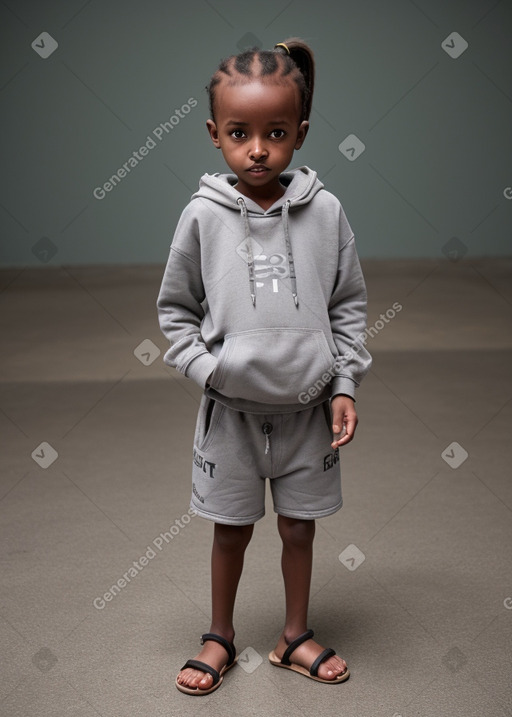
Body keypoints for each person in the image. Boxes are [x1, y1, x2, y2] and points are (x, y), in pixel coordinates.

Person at [157, 37, 372, 696]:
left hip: (308, 413)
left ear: (300, 133)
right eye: (240, 133)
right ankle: (219, 633)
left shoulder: (327, 213)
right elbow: (174, 313)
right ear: (214, 134)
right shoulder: (202, 217)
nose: (258, 148)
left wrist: (342, 383)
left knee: (299, 526)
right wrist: (212, 371)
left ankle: (293, 634)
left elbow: (348, 305)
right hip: (233, 416)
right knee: (230, 528)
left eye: (276, 133)